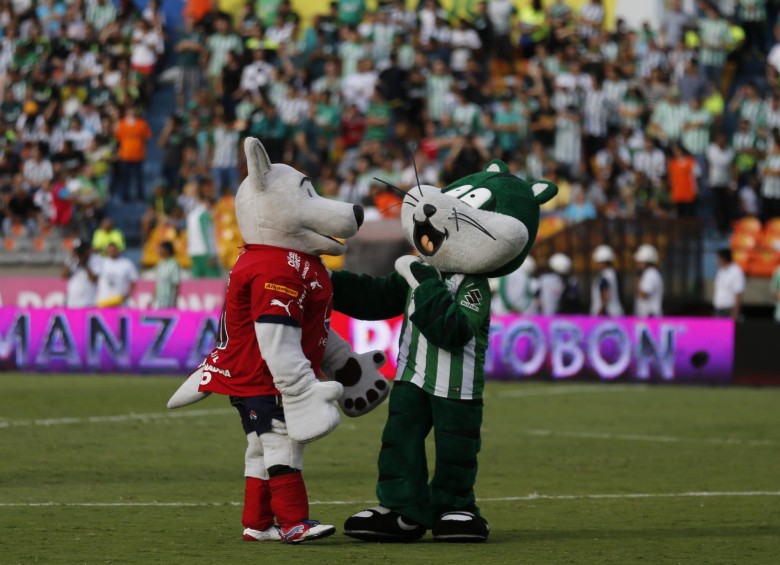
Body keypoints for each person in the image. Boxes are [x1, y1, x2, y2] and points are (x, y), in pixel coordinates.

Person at [114, 105, 152, 202]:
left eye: (133, 111)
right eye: (129, 111)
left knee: (139, 177)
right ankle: (124, 196)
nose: (132, 113)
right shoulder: (122, 124)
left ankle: (140, 196)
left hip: (138, 154)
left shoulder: (142, 123)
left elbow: (146, 136)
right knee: (125, 177)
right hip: (125, 154)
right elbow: (117, 137)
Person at [186, 191, 220, 278]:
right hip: (205, 253)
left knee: (197, 284)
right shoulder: (204, 215)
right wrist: (212, 254)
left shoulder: (191, 215)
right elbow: (207, 236)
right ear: (206, 202)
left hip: (194, 252)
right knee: (214, 283)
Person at [96, 242, 139, 307]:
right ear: (107, 251)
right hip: (104, 301)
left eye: (114, 250)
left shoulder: (126, 263)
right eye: (110, 250)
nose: (112, 252)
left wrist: (127, 295)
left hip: (121, 302)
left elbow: (133, 280)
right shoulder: (101, 262)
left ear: (118, 250)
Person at [63, 240, 101, 308]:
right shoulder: (72, 260)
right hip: (72, 302)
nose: (80, 253)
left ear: (87, 250)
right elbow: (64, 275)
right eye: (77, 251)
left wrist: (85, 264)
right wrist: (72, 259)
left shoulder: (96, 259)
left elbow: (94, 280)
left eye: (81, 251)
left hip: (88, 302)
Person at [590, 244, 624, 316]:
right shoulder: (612, 274)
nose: (596, 264)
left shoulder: (605, 275)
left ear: (603, 262)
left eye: (597, 262)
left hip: (607, 315)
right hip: (613, 313)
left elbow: (606, 294)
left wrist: (600, 312)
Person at [712, 248, 745, 319]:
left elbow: (738, 293)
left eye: (718, 258)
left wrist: (735, 312)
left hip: (729, 310)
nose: (716, 261)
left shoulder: (736, 272)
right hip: (718, 309)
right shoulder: (720, 271)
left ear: (723, 259)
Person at [633, 244, 664, 317]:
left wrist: (637, 282)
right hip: (648, 317)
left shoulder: (650, 273)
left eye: (639, 262)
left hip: (650, 316)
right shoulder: (651, 273)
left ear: (646, 262)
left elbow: (644, 294)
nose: (637, 264)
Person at [154, 241, 181, 308]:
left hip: (169, 301)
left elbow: (176, 283)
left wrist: (175, 301)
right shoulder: (161, 263)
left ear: (168, 251)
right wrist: (152, 299)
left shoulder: (173, 264)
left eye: (162, 249)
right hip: (159, 300)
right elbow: (158, 283)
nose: (160, 251)